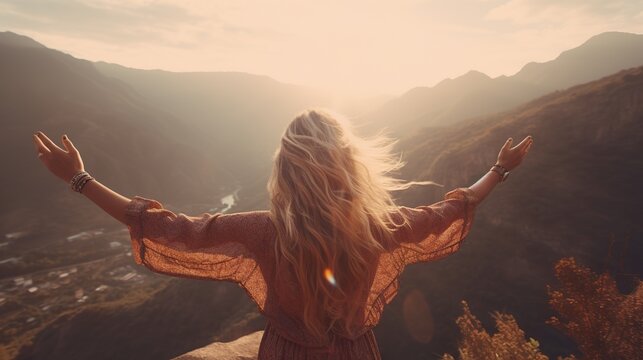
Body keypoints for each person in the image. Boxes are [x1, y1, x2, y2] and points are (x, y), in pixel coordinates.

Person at [32, 109, 533, 359]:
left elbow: (167, 229)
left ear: (287, 170)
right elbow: (451, 208)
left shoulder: (264, 232)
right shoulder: (379, 228)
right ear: (348, 167)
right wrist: (499, 170)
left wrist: (81, 180)